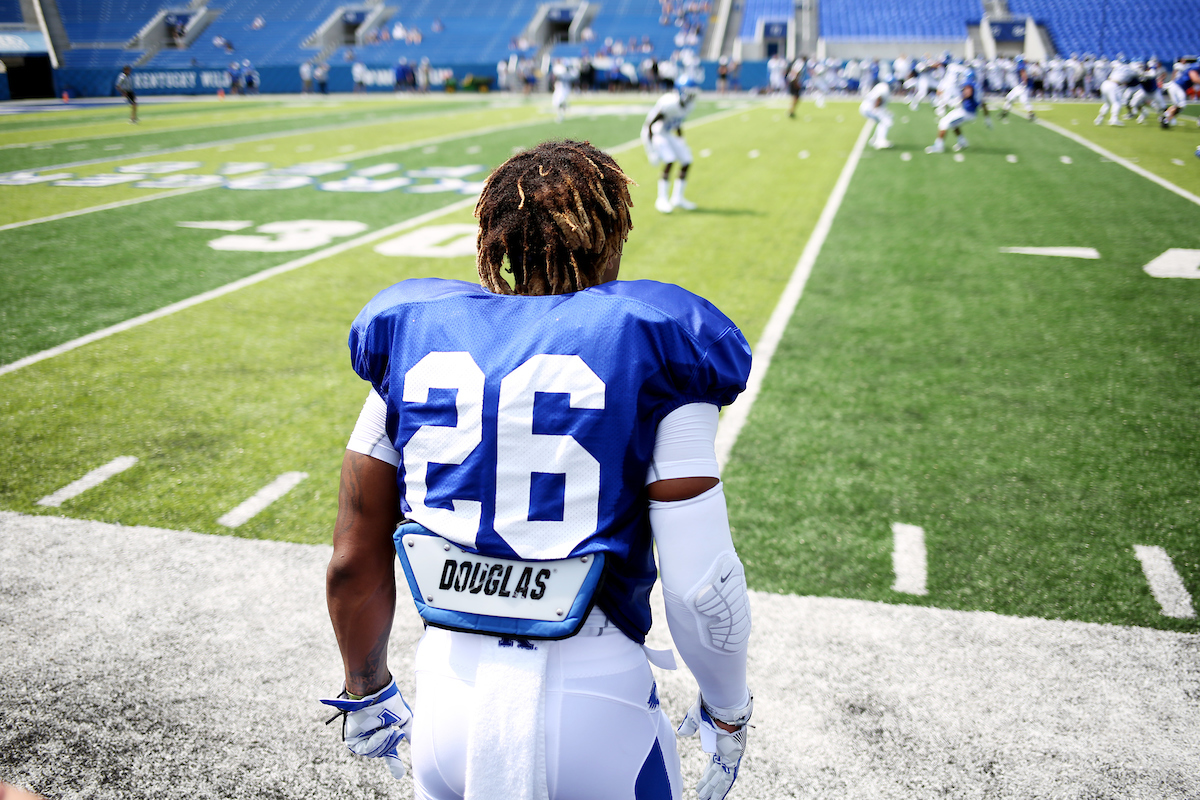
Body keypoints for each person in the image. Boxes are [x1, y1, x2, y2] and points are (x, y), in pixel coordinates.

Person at [321, 139, 754, 800]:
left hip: (449, 698)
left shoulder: (414, 338)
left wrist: (366, 689)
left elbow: (353, 558)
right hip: (595, 697)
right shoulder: (653, 341)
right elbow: (702, 586)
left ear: (495, 240)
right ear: (612, 233)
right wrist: (728, 706)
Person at [642, 75, 700, 213]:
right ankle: (661, 199)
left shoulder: (689, 104)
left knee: (687, 160)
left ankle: (677, 198)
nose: (692, 96)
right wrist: (651, 150)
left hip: (667, 133)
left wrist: (681, 139)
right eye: (690, 93)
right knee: (670, 159)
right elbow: (650, 125)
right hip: (655, 132)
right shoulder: (669, 103)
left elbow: (676, 122)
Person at [926, 77, 991, 154]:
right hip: (967, 111)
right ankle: (963, 142)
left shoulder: (970, 84)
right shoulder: (977, 87)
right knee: (954, 124)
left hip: (966, 112)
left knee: (943, 123)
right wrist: (987, 117)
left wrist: (959, 100)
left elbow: (968, 93)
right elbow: (982, 103)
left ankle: (939, 146)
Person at [1161, 57, 1199, 128]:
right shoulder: (1195, 67)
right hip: (1178, 86)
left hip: (1177, 86)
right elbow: (1194, 78)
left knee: (1178, 105)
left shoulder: (1192, 66)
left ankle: (1166, 116)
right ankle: (1166, 119)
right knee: (1181, 105)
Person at [859, 79, 893, 149]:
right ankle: (880, 141)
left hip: (867, 107)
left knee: (883, 121)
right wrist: (876, 110)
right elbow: (879, 98)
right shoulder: (884, 88)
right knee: (886, 121)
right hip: (870, 108)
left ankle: (875, 139)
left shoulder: (881, 86)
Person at [1001, 54, 1035, 121]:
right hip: (1022, 86)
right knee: (1024, 101)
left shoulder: (1021, 65)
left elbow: (1023, 73)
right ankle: (1031, 113)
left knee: (1010, 98)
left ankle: (1004, 113)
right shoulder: (1025, 65)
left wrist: (1024, 82)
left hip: (1020, 86)